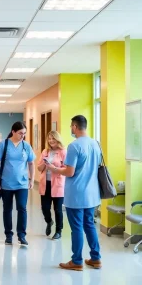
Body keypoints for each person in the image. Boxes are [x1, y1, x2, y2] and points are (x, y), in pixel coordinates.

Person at [45, 115, 101, 271]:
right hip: (92, 194)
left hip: (76, 194)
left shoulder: (74, 146)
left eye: (71, 126)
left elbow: (70, 172)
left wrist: (55, 169)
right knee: (89, 225)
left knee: (76, 227)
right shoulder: (96, 144)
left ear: (75, 127)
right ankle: (96, 258)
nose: (71, 129)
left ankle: (76, 261)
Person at [0, 121, 36, 246]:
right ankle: (8, 235)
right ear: (13, 132)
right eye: (20, 133)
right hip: (6, 183)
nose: (22, 136)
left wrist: (32, 179)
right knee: (7, 209)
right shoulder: (3, 145)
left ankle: (22, 235)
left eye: (24, 134)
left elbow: (31, 163)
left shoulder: (26, 146)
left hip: (22, 184)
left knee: (22, 208)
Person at [37, 131, 66, 240]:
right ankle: (49, 221)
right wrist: (45, 163)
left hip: (58, 184)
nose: (51, 141)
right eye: (49, 139)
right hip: (45, 184)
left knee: (58, 209)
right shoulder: (45, 151)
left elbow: (66, 169)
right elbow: (39, 168)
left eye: (53, 138)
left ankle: (58, 231)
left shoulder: (63, 152)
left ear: (57, 139)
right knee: (45, 208)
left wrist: (53, 167)